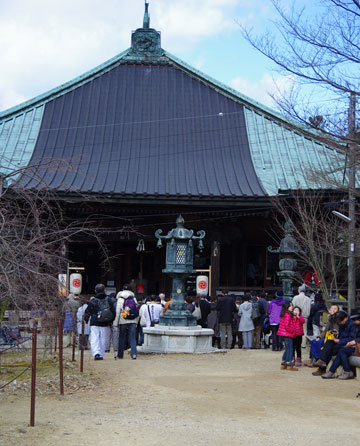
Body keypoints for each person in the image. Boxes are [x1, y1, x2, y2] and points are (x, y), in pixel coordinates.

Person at [312, 310, 357, 376]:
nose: (340, 323)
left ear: (346, 318)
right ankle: (322, 362)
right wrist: (337, 333)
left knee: (329, 349)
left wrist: (339, 341)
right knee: (329, 341)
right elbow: (341, 333)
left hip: (348, 345)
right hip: (341, 342)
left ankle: (323, 366)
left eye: (341, 321)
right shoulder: (342, 323)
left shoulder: (352, 325)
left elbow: (352, 339)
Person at [84, 284, 116, 360]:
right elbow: (113, 312)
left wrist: (86, 319)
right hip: (105, 322)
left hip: (95, 322)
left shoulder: (93, 300)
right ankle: (101, 354)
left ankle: (96, 353)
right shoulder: (109, 300)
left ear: (95, 291)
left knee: (95, 338)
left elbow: (88, 311)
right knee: (103, 339)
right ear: (104, 290)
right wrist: (111, 320)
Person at [114, 285, 139, 359]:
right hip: (133, 320)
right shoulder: (134, 298)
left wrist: (116, 323)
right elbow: (137, 310)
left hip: (123, 320)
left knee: (122, 337)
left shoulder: (120, 299)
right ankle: (134, 354)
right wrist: (136, 321)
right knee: (132, 337)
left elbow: (118, 312)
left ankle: (120, 354)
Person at [277, 301, 297, 370]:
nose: (292, 307)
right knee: (290, 348)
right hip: (288, 333)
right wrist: (292, 330)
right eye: (291, 306)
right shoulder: (288, 315)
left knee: (287, 348)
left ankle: (284, 363)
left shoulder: (284, 314)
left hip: (284, 333)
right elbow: (287, 326)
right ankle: (289, 363)